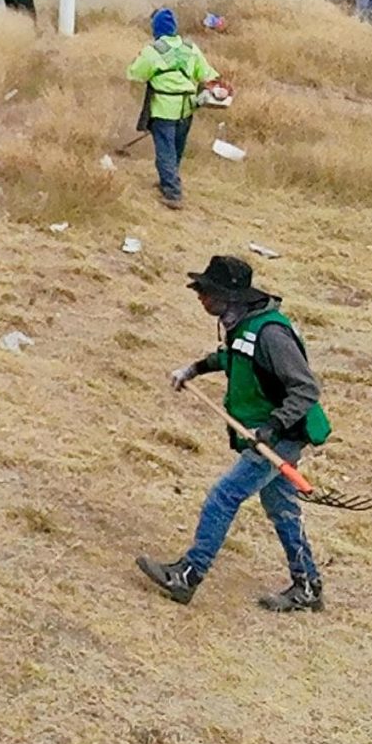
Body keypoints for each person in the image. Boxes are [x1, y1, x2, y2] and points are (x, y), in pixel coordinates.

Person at [138, 255, 330, 613]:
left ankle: (187, 576)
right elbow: (233, 357)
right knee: (281, 506)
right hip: (271, 433)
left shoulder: (272, 334)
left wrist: (272, 426)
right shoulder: (242, 325)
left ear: (231, 296)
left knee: (223, 496)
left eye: (207, 292)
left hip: (280, 436)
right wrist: (194, 369)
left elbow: (305, 389)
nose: (201, 298)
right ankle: (308, 586)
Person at [124, 7, 220, 211]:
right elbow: (207, 75)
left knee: (165, 151)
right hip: (187, 107)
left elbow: (135, 74)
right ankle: (170, 178)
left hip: (164, 108)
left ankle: (173, 193)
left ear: (156, 29)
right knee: (177, 149)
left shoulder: (153, 50)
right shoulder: (190, 48)